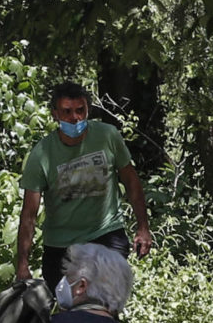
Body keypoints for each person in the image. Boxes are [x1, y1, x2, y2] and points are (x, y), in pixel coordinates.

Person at [14, 81, 153, 286]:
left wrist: (143, 227)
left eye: (80, 110)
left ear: (88, 109)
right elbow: (28, 215)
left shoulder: (107, 136)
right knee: (69, 310)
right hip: (61, 244)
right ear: (55, 114)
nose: (75, 118)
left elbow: (131, 181)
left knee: (106, 303)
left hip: (106, 234)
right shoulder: (42, 154)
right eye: (67, 112)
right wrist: (23, 264)